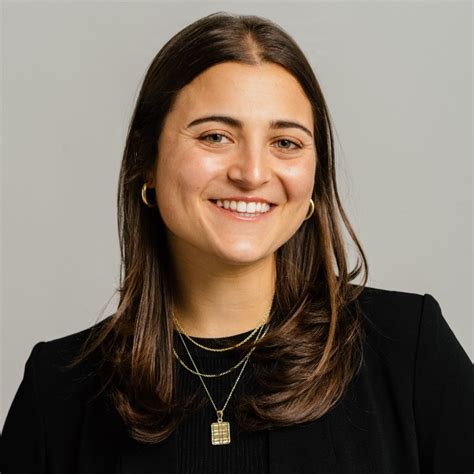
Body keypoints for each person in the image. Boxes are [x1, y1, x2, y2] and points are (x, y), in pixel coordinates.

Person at [1, 11, 472, 474]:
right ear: (148, 159)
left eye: (285, 143)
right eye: (216, 136)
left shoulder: (409, 350)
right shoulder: (57, 390)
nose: (252, 173)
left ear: (314, 177)